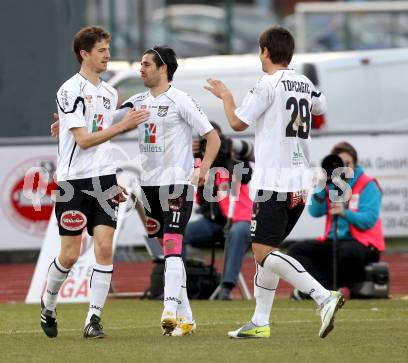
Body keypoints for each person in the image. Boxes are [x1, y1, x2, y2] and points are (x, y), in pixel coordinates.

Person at [205, 26, 344, 339]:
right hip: (299, 181)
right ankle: (260, 321)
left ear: (265, 51)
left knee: (264, 252)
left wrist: (227, 97)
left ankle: (323, 296)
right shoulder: (304, 82)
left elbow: (237, 121)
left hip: (275, 182)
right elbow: (322, 107)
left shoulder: (268, 83)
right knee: (265, 253)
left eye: (259, 49)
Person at [41, 26, 149, 339]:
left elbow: (97, 121)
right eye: (101, 50)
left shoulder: (109, 92)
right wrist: (123, 125)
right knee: (70, 255)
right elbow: (85, 140)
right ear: (84, 54)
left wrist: (69, 124)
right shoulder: (68, 89)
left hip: (104, 179)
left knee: (104, 248)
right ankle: (48, 304)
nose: (108, 55)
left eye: (108, 49)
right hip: (73, 183)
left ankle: (93, 320)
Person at [119, 46, 220, 336]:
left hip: (177, 185)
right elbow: (108, 121)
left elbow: (211, 137)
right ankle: (186, 318)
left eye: (146, 64)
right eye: (140, 64)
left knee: (173, 247)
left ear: (163, 69)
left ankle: (168, 309)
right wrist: (69, 123)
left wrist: (203, 168)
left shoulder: (181, 100)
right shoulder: (136, 101)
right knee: (167, 252)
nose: (141, 69)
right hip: (148, 188)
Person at [288, 141, 384, 298]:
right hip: (333, 241)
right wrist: (320, 186)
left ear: (355, 164)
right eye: (341, 164)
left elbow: (369, 219)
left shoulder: (367, 184)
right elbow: (315, 212)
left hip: (362, 244)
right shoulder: (331, 184)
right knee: (296, 251)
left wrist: (345, 213)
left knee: (346, 252)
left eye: (348, 163)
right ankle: (327, 290)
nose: (345, 168)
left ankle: (317, 291)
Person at [184, 122, 253, 300]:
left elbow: (245, 175)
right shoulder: (198, 163)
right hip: (213, 223)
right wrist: (188, 155)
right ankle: (180, 283)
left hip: (240, 221)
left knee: (237, 233)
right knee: (179, 234)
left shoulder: (233, 158)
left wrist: (229, 155)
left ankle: (226, 287)